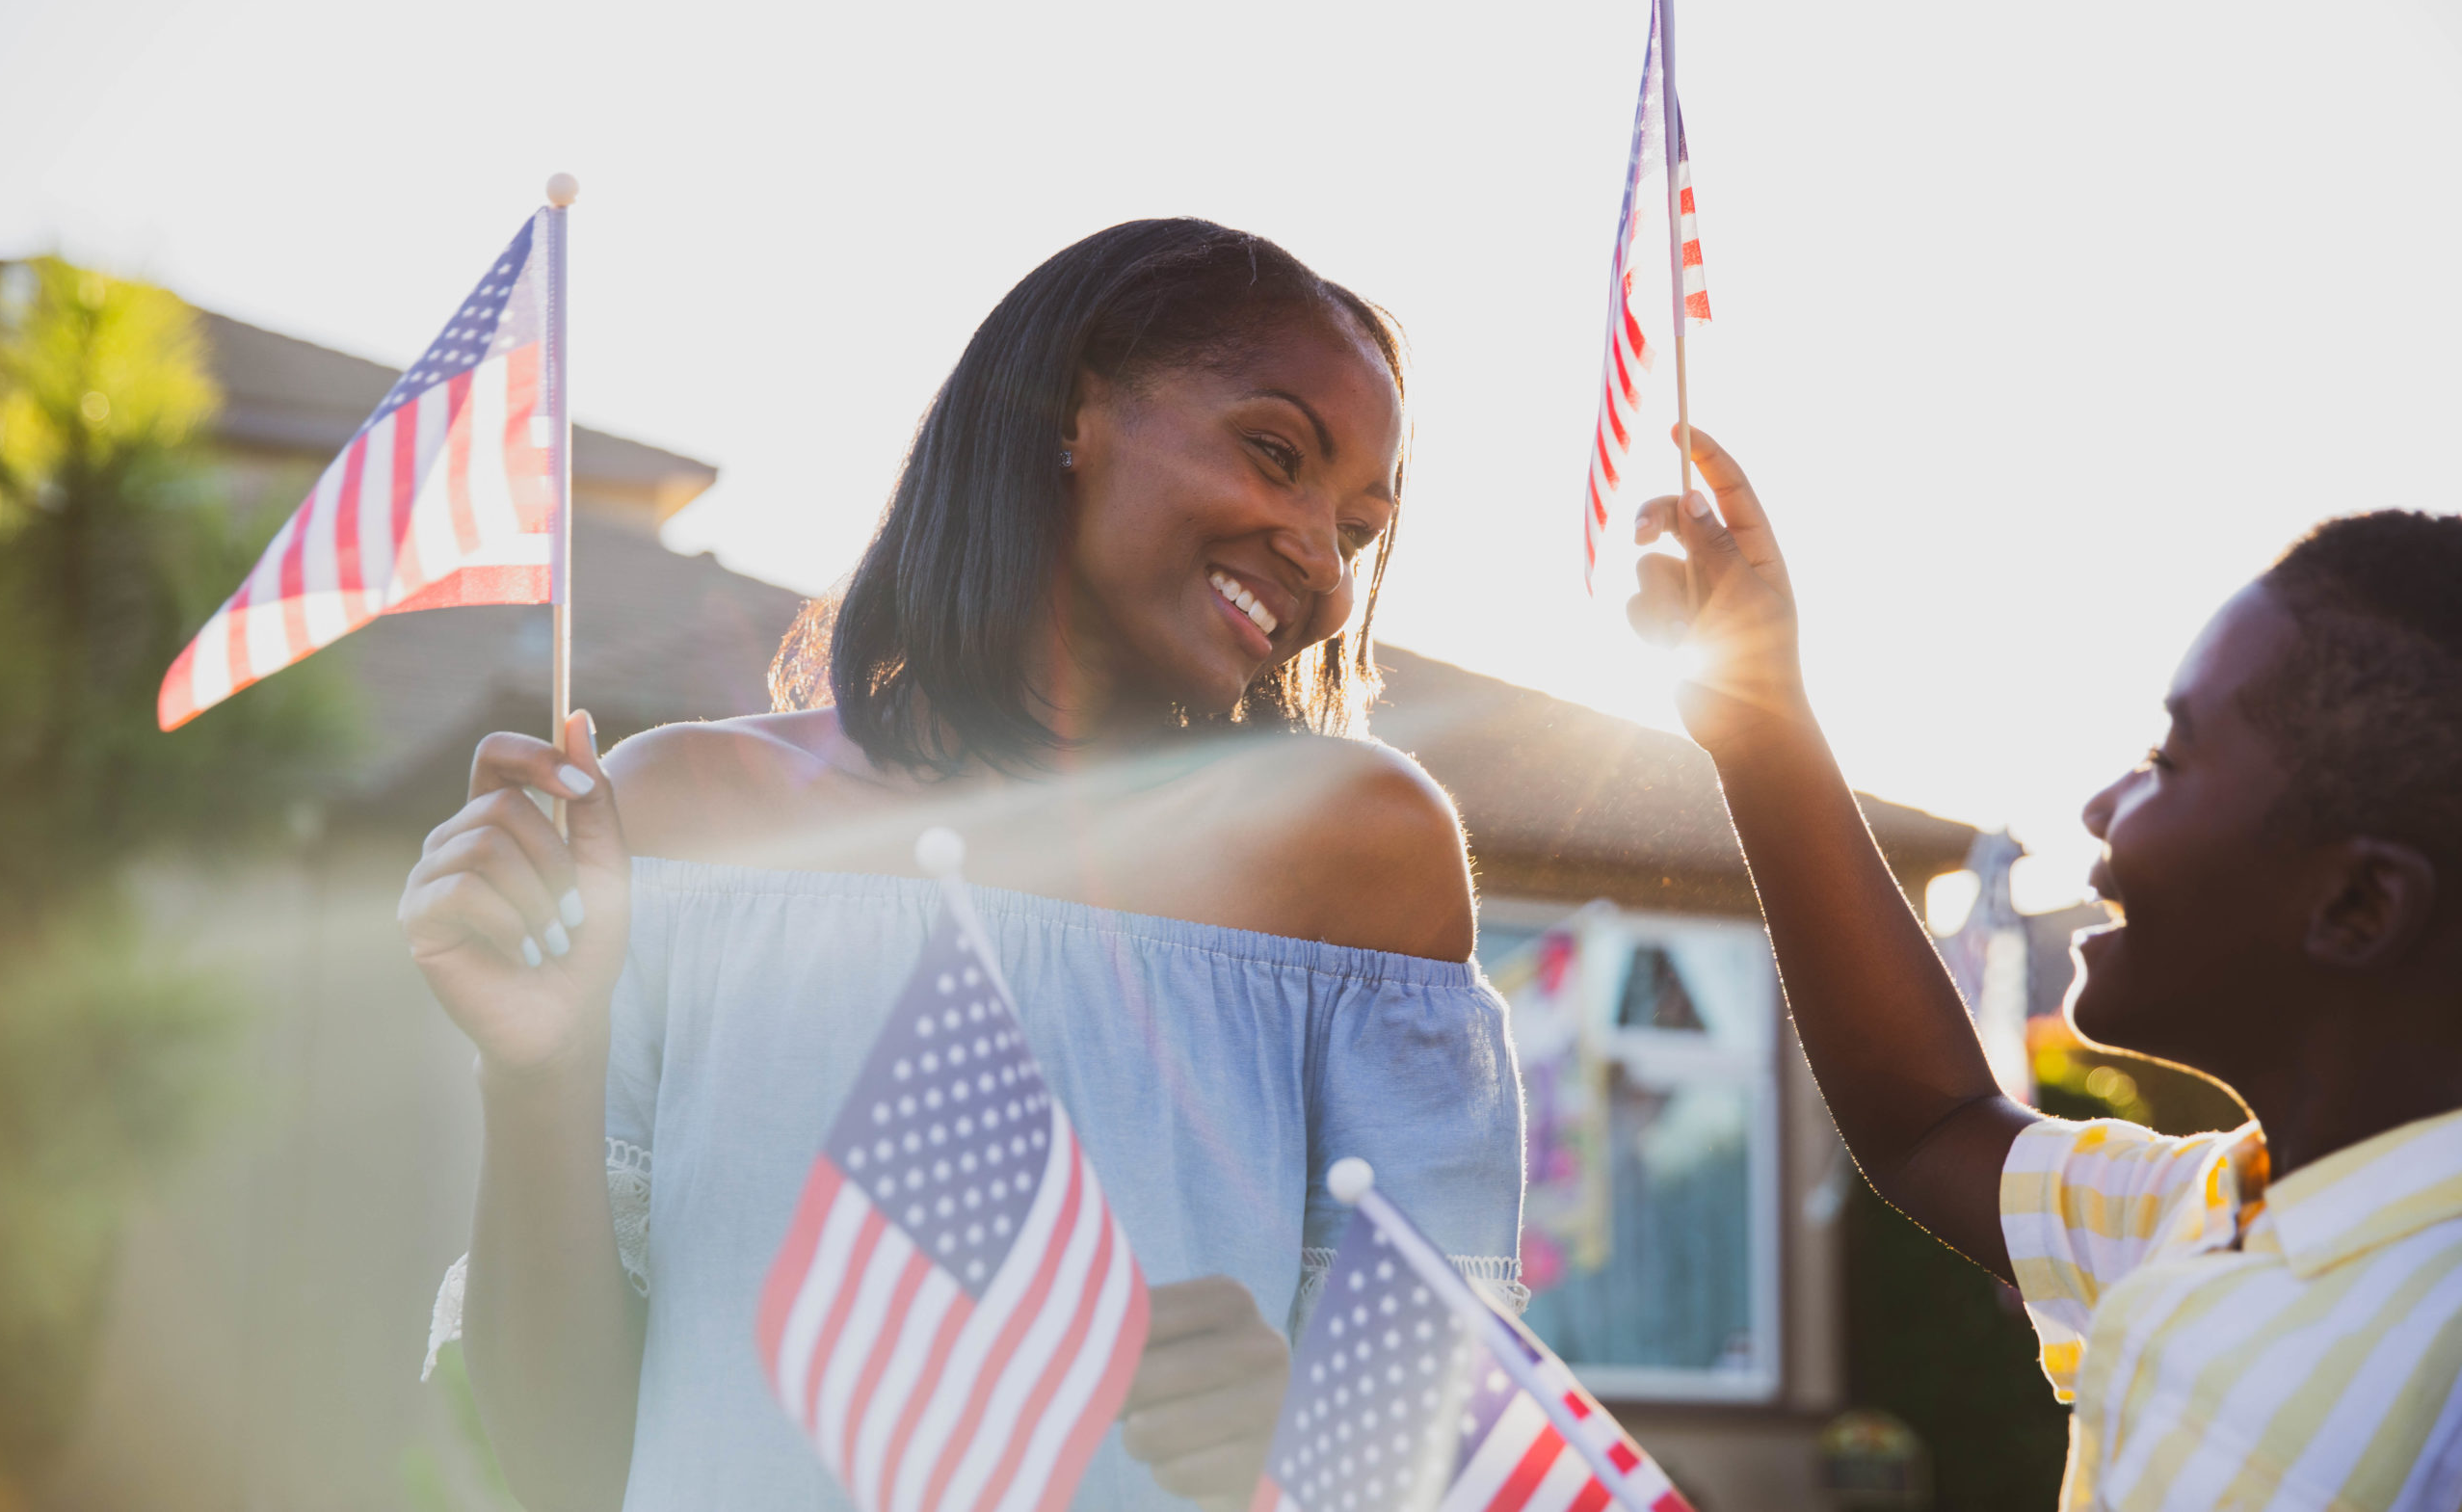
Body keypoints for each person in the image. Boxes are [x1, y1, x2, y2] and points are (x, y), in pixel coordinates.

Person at [398, 220, 1525, 1512]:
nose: (1324, 564)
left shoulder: (1358, 856)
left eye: (1360, 528)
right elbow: (567, 1467)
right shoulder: (680, 813)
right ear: (1071, 409)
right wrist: (534, 1070)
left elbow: (1432, 1459)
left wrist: (1301, 1446)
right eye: (1277, 453)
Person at [1627, 429, 2462, 1508]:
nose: (2101, 806)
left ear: (2356, 906)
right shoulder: (2206, 1212)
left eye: (2168, 758)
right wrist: (1757, 722)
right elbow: (1926, 1122)